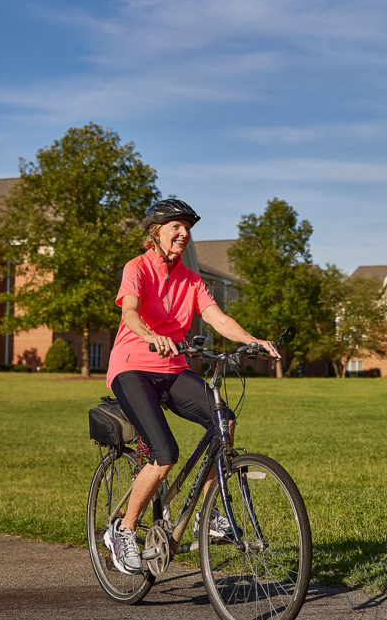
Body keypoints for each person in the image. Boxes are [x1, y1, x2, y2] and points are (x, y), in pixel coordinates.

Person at [103, 198, 280, 575]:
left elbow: (216, 317)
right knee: (165, 453)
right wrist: (151, 335)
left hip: (173, 368)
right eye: (175, 228)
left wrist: (252, 340)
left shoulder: (192, 279)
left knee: (224, 422)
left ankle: (207, 514)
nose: (183, 234)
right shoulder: (137, 268)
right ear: (155, 233)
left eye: (187, 228)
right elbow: (130, 312)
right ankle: (123, 530)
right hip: (133, 367)